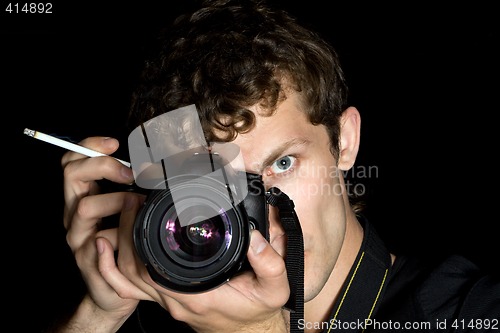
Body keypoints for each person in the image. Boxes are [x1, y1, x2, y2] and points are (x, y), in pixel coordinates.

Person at [47, 0, 500, 332]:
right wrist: (100, 313)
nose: (263, 219)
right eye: (214, 185)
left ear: (344, 142)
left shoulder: (469, 312)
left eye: (282, 163)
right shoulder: (162, 307)